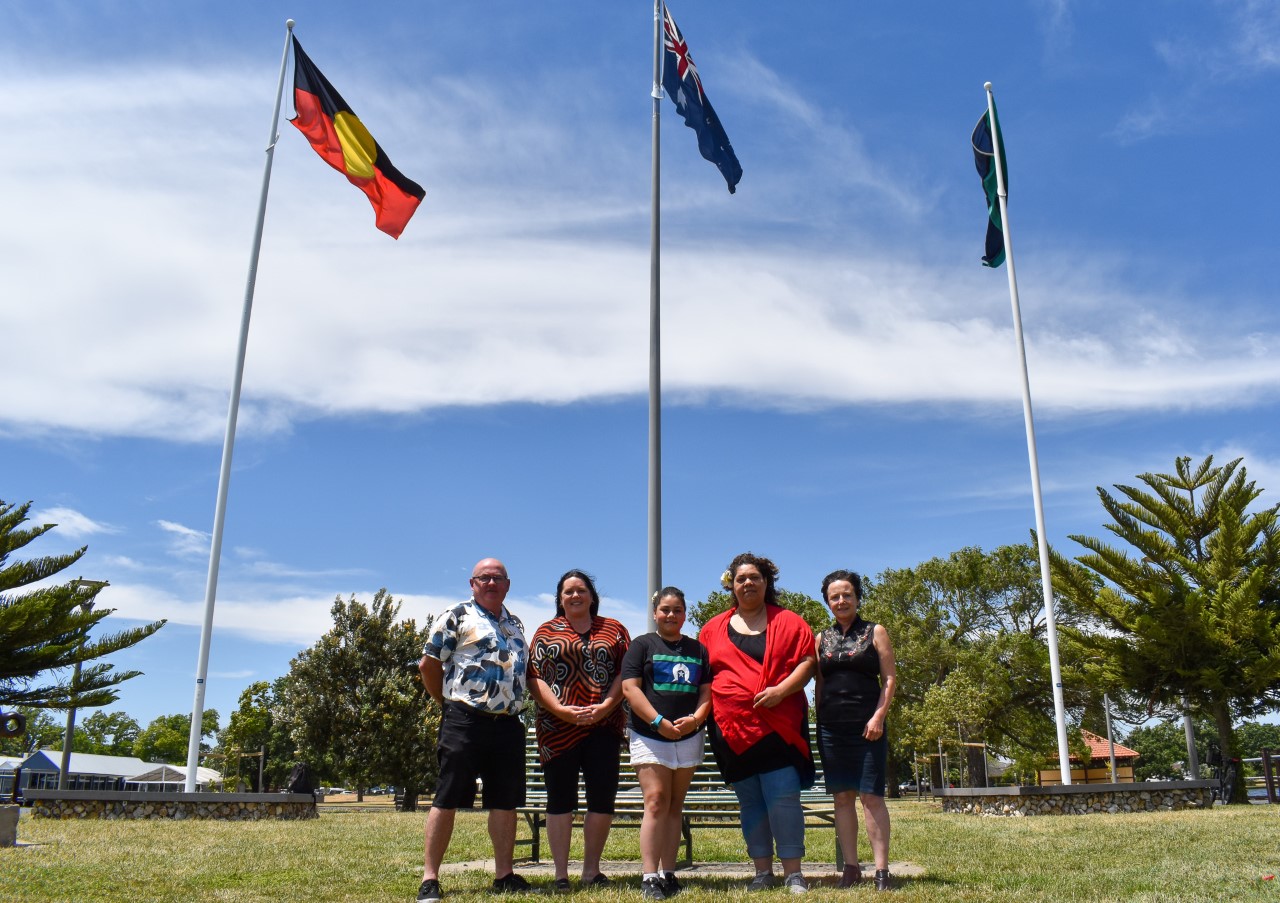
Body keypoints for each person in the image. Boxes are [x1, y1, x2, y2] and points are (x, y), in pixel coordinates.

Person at [702, 552, 817, 894]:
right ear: (731, 585)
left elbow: (808, 663)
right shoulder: (712, 628)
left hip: (779, 726)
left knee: (783, 798)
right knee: (750, 802)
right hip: (731, 730)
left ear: (767, 582)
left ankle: (794, 873)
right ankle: (762, 871)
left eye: (755, 577)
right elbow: (703, 675)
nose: (748, 583)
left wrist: (781, 690)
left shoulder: (791, 622)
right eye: (741, 578)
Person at [417, 558, 530, 902]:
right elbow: (429, 664)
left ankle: (504, 874)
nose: (491, 583)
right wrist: (447, 703)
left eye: (498, 578)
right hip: (464, 721)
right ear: (472, 583)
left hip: (508, 725)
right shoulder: (456, 615)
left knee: (505, 801)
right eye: (485, 578)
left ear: (507, 585)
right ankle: (430, 879)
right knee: (448, 796)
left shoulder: (515, 623)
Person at [527, 570, 631, 891]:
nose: (575, 596)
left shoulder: (613, 630)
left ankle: (591, 870)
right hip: (557, 729)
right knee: (560, 800)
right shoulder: (546, 632)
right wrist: (560, 710)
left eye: (581, 590)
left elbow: (626, 673)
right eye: (568, 591)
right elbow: (534, 677)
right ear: (559, 598)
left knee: (601, 799)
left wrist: (605, 707)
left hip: (605, 725)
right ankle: (560, 874)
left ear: (592, 595)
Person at [621, 586, 712, 900]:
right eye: (665, 610)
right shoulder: (641, 645)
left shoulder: (698, 650)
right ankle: (649, 876)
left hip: (689, 734)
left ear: (685, 614)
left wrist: (697, 720)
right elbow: (631, 690)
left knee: (675, 805)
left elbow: (705, 692)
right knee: (656, 801)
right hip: (650, 736)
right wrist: (658, 722)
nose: (671, 615)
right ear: (655, 613)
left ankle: (668, 873)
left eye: (677, 610)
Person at [814, 569, 897, 892]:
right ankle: (850, 868)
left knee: (871, 798)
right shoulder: (821, 638)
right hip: (832, 730)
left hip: (868, 729)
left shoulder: (875, 632)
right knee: (842, 798)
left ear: (857, 597)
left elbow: (889, 679)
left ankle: (881, 871)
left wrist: (878, 717)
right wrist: (820, 718)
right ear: (828, 602)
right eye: (834, 596)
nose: (841, 600)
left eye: (847, 594)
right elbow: (819, 683)